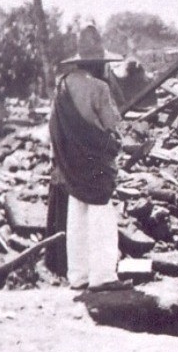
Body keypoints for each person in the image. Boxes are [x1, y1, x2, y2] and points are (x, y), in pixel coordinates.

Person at [49, 25, 127, 291]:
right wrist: (118, 144)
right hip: (95, 163)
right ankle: (103, 275)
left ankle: (79, 275)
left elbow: (54, 128)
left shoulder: (62, 87)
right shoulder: (99, 88)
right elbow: (110, 126)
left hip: (70, 162)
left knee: (77, 216)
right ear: (98, 64)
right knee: (101, 216)